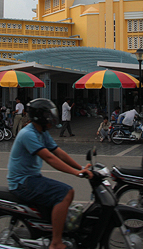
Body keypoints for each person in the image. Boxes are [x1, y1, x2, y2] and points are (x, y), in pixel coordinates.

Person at [7, 98, 92, 249]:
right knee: (66, 192)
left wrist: (81, 168)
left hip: (32, 178)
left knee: (55, 196)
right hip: (22, 182)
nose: (51, 118)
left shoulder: (41, 131)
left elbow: (59, 153)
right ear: (40, 117)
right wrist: (76, 173)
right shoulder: (28, 134)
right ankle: (56, 243)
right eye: (48, 115)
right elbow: (49, 158)